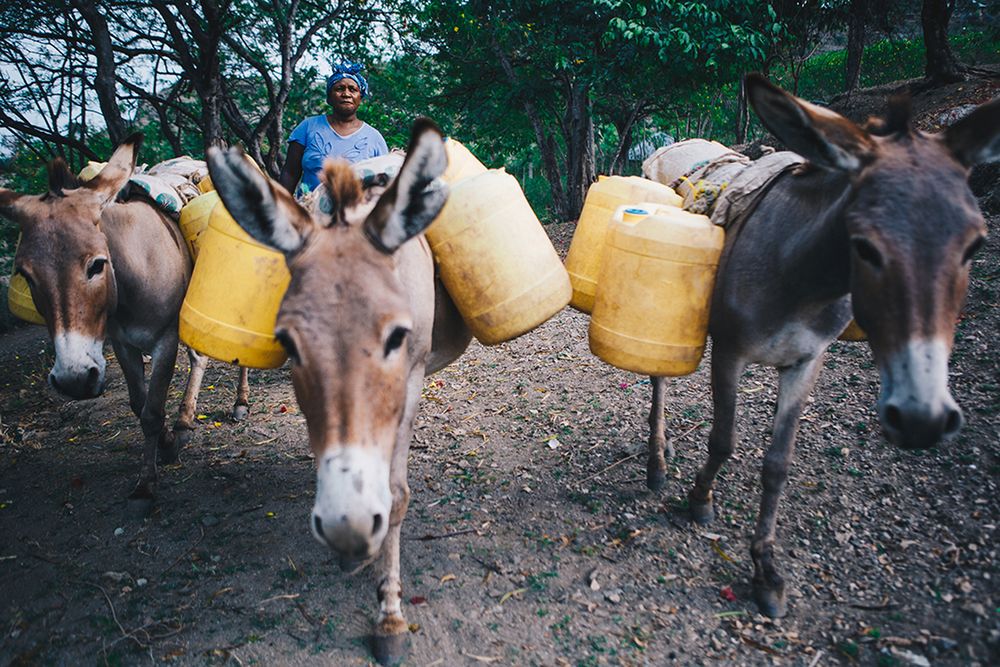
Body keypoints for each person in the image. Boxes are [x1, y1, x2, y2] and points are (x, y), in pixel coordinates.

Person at [280, 62, 389, 197]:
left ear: (360, 99)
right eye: (339, 89)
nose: (346, 94)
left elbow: (384, 185)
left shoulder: (374, 138)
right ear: (329, 98)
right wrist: (281, 207)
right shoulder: (308, 127)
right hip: (307, 212)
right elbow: (290, 173)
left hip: (354, 215)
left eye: (353, 89)